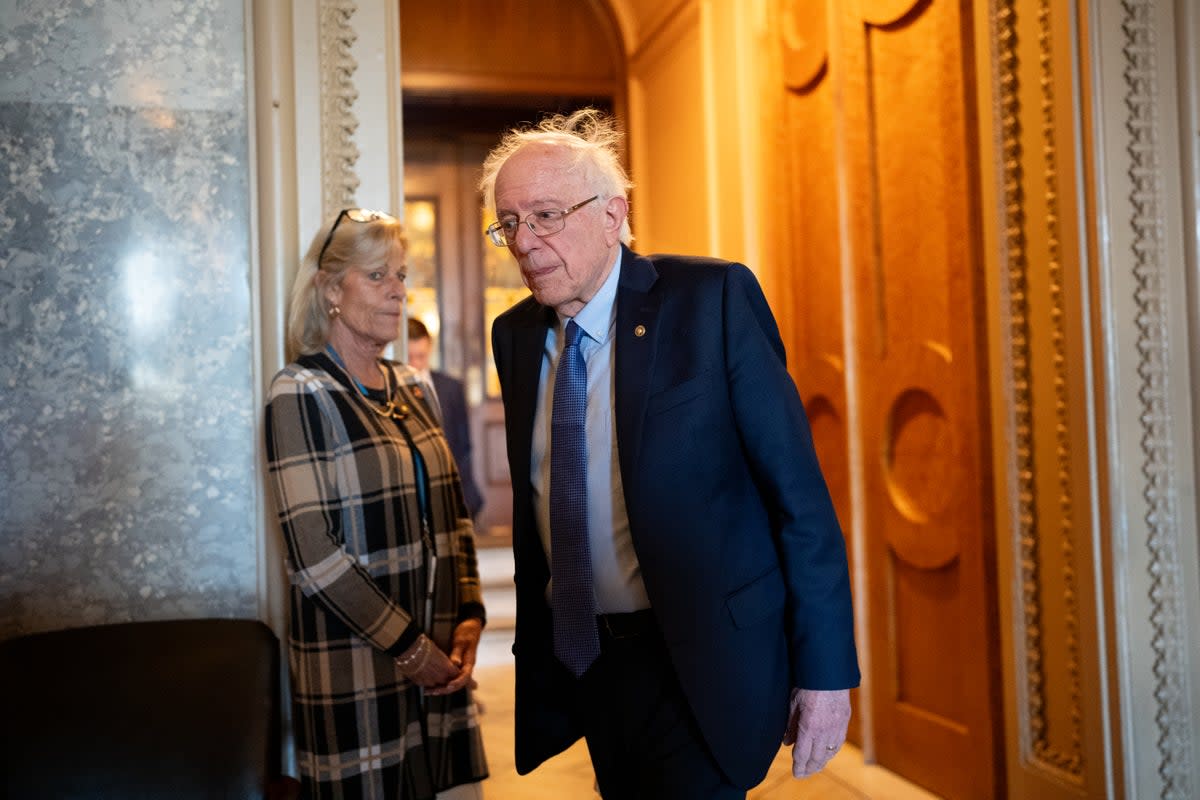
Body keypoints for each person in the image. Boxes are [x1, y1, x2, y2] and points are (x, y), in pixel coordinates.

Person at [481, 109, 860, 799]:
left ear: (611, 213)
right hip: (588, 661)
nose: (524, 242)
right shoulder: (515, 335)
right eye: (507, 223)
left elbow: (798, 498)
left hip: (698, 654)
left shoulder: (710, 301)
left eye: (545, 215)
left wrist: (827, 671)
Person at [264, 207, 488, 800]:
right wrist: (410, 648)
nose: (398, 292)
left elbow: (452, 513)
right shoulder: (300, 390)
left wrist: (468, 616)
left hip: (441, 664)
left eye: (402, 275)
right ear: (332, 289)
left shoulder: (416, 386)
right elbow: (313, 554)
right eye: (378, 277)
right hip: (356, 670)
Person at [406, 317, 485, 522]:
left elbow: (463, 445)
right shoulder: (391, 388)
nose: (415, 364)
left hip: (451, 494)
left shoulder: (451, 388)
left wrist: (465, 497)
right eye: (409, 357)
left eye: (420, 356)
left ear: (429, 348)